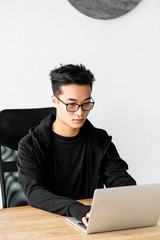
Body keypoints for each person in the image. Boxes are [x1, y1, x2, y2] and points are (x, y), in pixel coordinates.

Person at [18, 64, 136, 227]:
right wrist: (76, 208)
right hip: (44, 222)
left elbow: (119, 180)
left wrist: (135, 198)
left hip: (87, 221)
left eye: (86, 103)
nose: (80, 113)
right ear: (54, 100)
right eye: (71, 104)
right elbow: (34, 192)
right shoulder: (30, 145)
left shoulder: (99, 140)